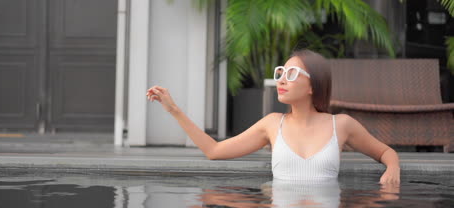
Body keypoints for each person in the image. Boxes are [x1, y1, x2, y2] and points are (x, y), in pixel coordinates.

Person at [146, 49, 400, 184]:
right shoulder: (271, 124)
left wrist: (393, 168)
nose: (281, 80)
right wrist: (173, 110)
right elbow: (214, 151)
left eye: (291, 74)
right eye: (281, 72)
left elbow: (386, 153)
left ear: (313, 86)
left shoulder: (341, 125)